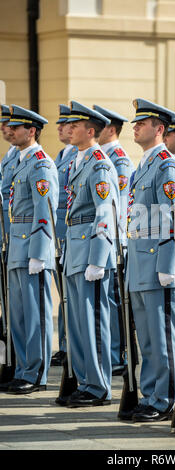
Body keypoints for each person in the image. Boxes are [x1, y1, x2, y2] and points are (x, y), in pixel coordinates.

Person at [121, 99, 175, 423]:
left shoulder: (165, 166)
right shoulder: (141, 166)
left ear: (159, 129)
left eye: (142, 123)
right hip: (139, 263)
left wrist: (167, 266)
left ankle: (164, 398)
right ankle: (149, 395)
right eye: (135, 123)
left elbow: (170, 219)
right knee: (146, 337)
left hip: (156, 264)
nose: (135, 127)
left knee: (161, 336)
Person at [62, 101, 120, 407]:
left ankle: (99, 387)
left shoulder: (99, 163)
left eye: (75, 125)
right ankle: (86, 381)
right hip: (76, 248)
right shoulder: (79, 160)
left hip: (90, 252)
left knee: (94, 320)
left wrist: (99, 257)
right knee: (79, 321)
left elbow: (104, 212)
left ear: (90, 130)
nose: (69, 129)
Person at [0, 105, 59, 394]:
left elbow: (44, 211)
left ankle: (37, 373)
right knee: (20, 315)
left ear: (31, 131)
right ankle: (23, 369)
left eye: (17, 126)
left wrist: (39, 252)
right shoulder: (20, 161)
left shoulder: (40, 163)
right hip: (16, 245)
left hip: (32, 247)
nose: (10, 130)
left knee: (36, 314)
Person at [94, 105, 135, 376]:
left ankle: (117, 353)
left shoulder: (118, 160)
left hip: (115, 239)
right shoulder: (100, 157)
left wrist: (117, 241)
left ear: (111, 128)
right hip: (105, 237)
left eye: (100, 125)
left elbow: (118, 206)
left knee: (113, 300)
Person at [51, 104, 78, 367]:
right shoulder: (63, 154)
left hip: (73, 232)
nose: (60, 128)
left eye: (65, 124)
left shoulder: (79, 156)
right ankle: (65, 344)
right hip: (60, 233)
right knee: (64, 293)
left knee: (74, 295)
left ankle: (72, 345)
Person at [0, 105, 20, 234]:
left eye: (7, 123)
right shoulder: (10, 152)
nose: (2, 128)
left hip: (12, 215)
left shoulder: (21, 154)